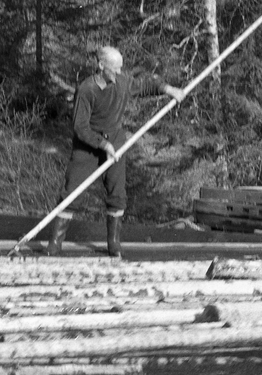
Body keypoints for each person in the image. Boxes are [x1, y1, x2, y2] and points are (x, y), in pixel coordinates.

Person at [47, 46, 185, 258]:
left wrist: (169, 89)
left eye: (121, 68)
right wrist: (103, 145)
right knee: (72, 192)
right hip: (88, 145)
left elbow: (148, 84)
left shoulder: (122, 82)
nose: (119, 73)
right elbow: (80, 128)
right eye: (115, 69)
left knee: (117, 194)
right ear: (101, 67)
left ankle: (114, 244)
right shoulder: (86, 90)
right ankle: (54, 245)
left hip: (116, 141)